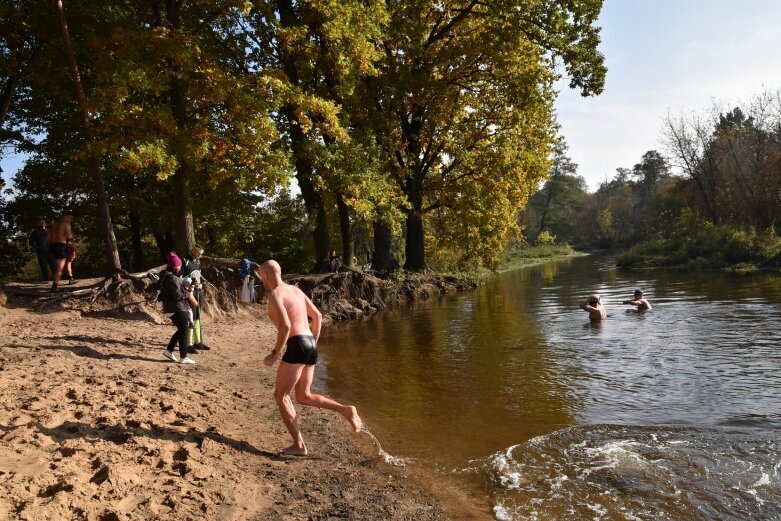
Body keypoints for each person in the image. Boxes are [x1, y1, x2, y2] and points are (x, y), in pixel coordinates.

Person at [260, 259, 361, 456]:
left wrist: (275, 353)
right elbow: (317, 317)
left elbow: (286, 326)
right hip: (309, 343)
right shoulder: (296, 290)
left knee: (281, 396)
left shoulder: (274, 294)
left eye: (261, 277)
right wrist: (312, 341)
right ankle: (345, 410)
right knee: (303, 396)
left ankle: (299, 445)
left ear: (265, 276)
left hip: (297, 344)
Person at [160, 252, 198, 365]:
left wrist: (186, 287)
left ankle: (169, 351)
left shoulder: (166, 276)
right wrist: (189, 291)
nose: (180, 268)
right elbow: (177, 296)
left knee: (182, 330)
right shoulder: (173, 278)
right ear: (176, 267)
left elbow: (175, 292)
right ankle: (183, 357)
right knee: (184, 330)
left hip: (170, 307)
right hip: (177, 308)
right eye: (179, 266)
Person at [182, 244, 209, 353]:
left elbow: (198, 275)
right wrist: (190, 284)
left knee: (197, 316)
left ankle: (197, 341)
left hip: (198, 291)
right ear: (193, 250)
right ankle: (188, 344)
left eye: (200, 254)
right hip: (188, 292)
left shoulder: (197, 262)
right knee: (190, 317)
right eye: (197, 253)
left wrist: (198, 284)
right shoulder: (184, 260)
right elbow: (180, 277)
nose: (198, 255)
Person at [47, 212, 74, 292]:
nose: (71, 220)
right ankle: (54, 287)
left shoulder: (54, 225)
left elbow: (48, 238)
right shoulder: (66, 224)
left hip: (52, 246)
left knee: (57, 267)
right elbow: (69, 236)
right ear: (65, 216)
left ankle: (55, 285)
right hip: (61, 246)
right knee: (59, 268)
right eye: (70, 218)